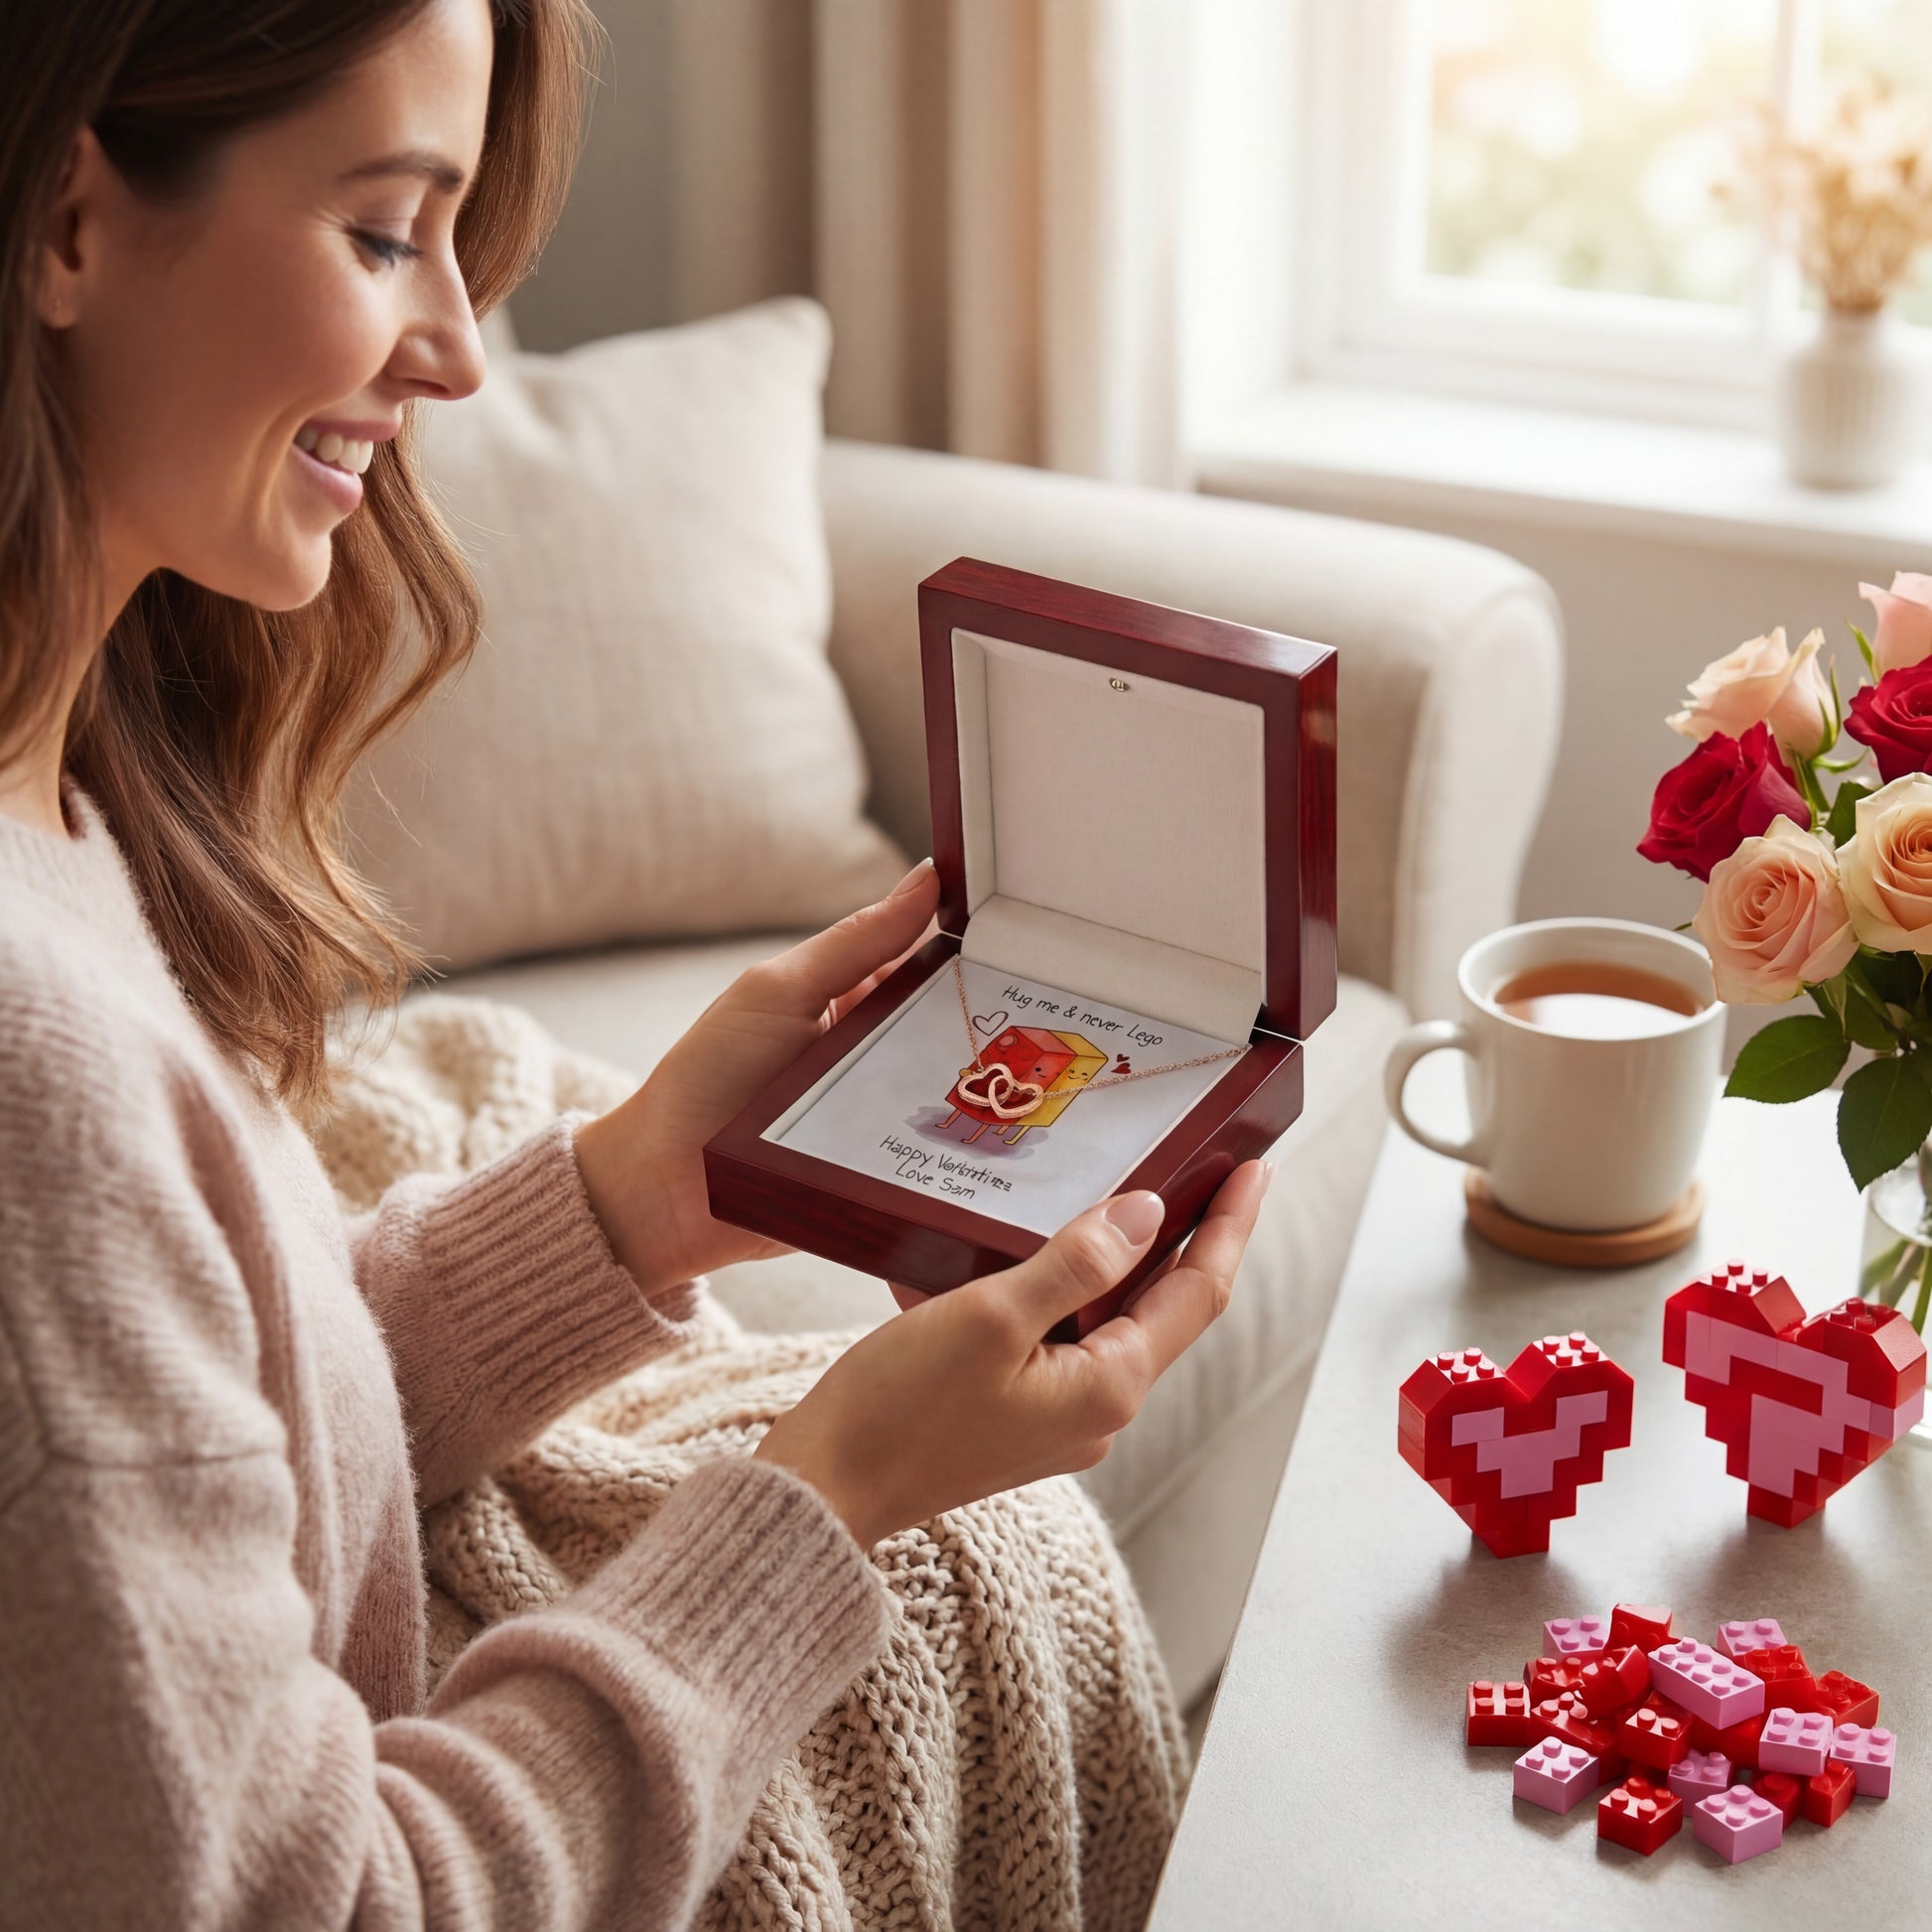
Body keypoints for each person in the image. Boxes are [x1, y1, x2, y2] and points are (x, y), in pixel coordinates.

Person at [0, 1, 1272, 1926]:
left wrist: (618, 1206)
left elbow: (171, 1459)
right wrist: (826, 1493)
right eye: (379, 229)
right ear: (68, 222)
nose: (455, 346)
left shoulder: (66, 807)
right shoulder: (42, 1084)